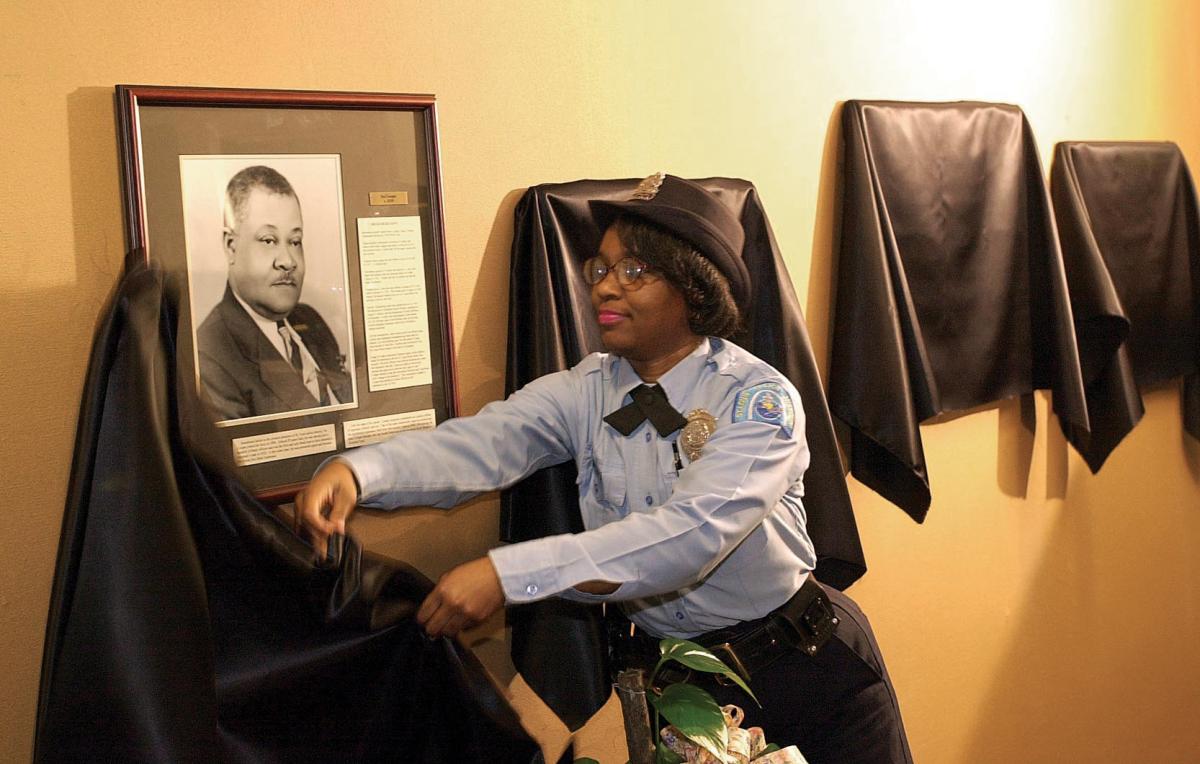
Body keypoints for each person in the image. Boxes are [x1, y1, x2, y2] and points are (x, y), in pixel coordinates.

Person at [295, 173, 911, 762]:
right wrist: (358, 473)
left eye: (635, 271)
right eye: (601, 268)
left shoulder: (755, 400)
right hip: (690, 693)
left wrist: (511, 574)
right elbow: (483, 443)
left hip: (804, 671)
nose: (605, 288)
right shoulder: (587, 390)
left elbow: (691, 534)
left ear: (694, 288)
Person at [196, 165, 352, 420]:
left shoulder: (309, 321)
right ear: (231, 246)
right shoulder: (211, 357)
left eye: (295, 241)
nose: (288, 261)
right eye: (269, 240)